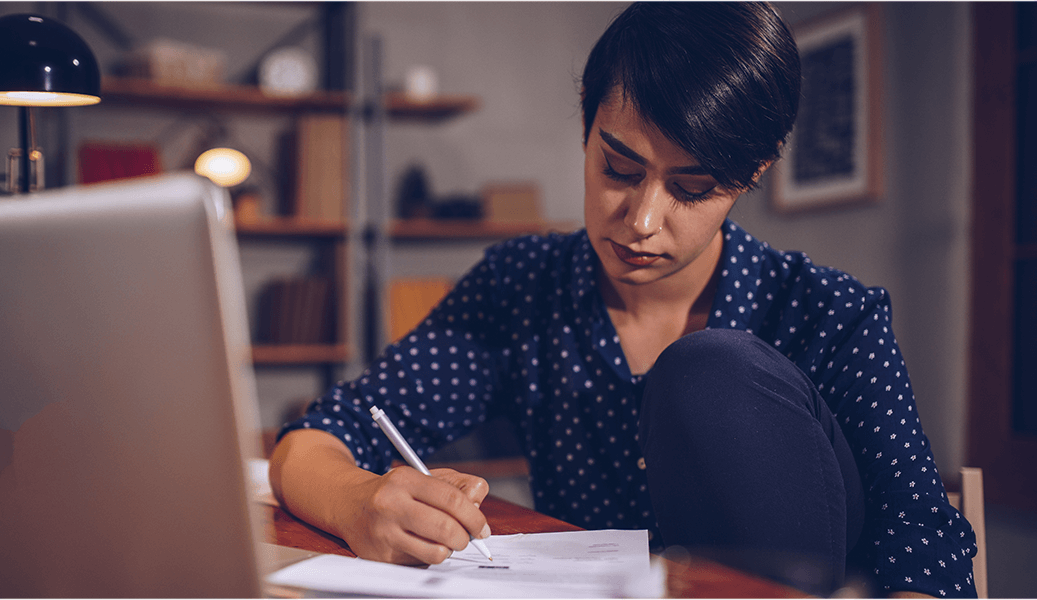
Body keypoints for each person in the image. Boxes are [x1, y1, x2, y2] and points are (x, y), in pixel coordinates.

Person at [268, 3, 978, 597]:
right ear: (586, 126)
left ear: (751, 174)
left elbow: (928, 547)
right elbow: (321, 437)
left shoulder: (827, 313)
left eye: (692, 189)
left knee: (710, 373)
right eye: (618, 167)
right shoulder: (525, 288)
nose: (641, 221)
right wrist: (362, 504)